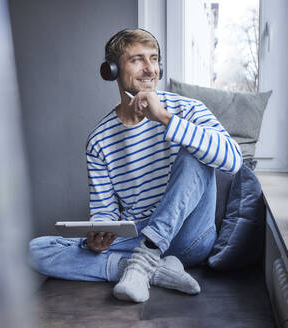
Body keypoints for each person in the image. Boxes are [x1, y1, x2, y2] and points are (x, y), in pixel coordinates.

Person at [29, 28, 242, 303]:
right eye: (137, 60)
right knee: (36, 249)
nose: (149, 69)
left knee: (195, 152)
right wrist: (100, 235)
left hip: (190, 235)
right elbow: (104, 213)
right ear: (112, 70)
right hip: (137, 234)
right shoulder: (99, 140)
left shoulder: (187, 110)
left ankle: (145, 260)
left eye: (154, 59)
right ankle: (147, 270)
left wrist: (165, 119)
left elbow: (233, 161)